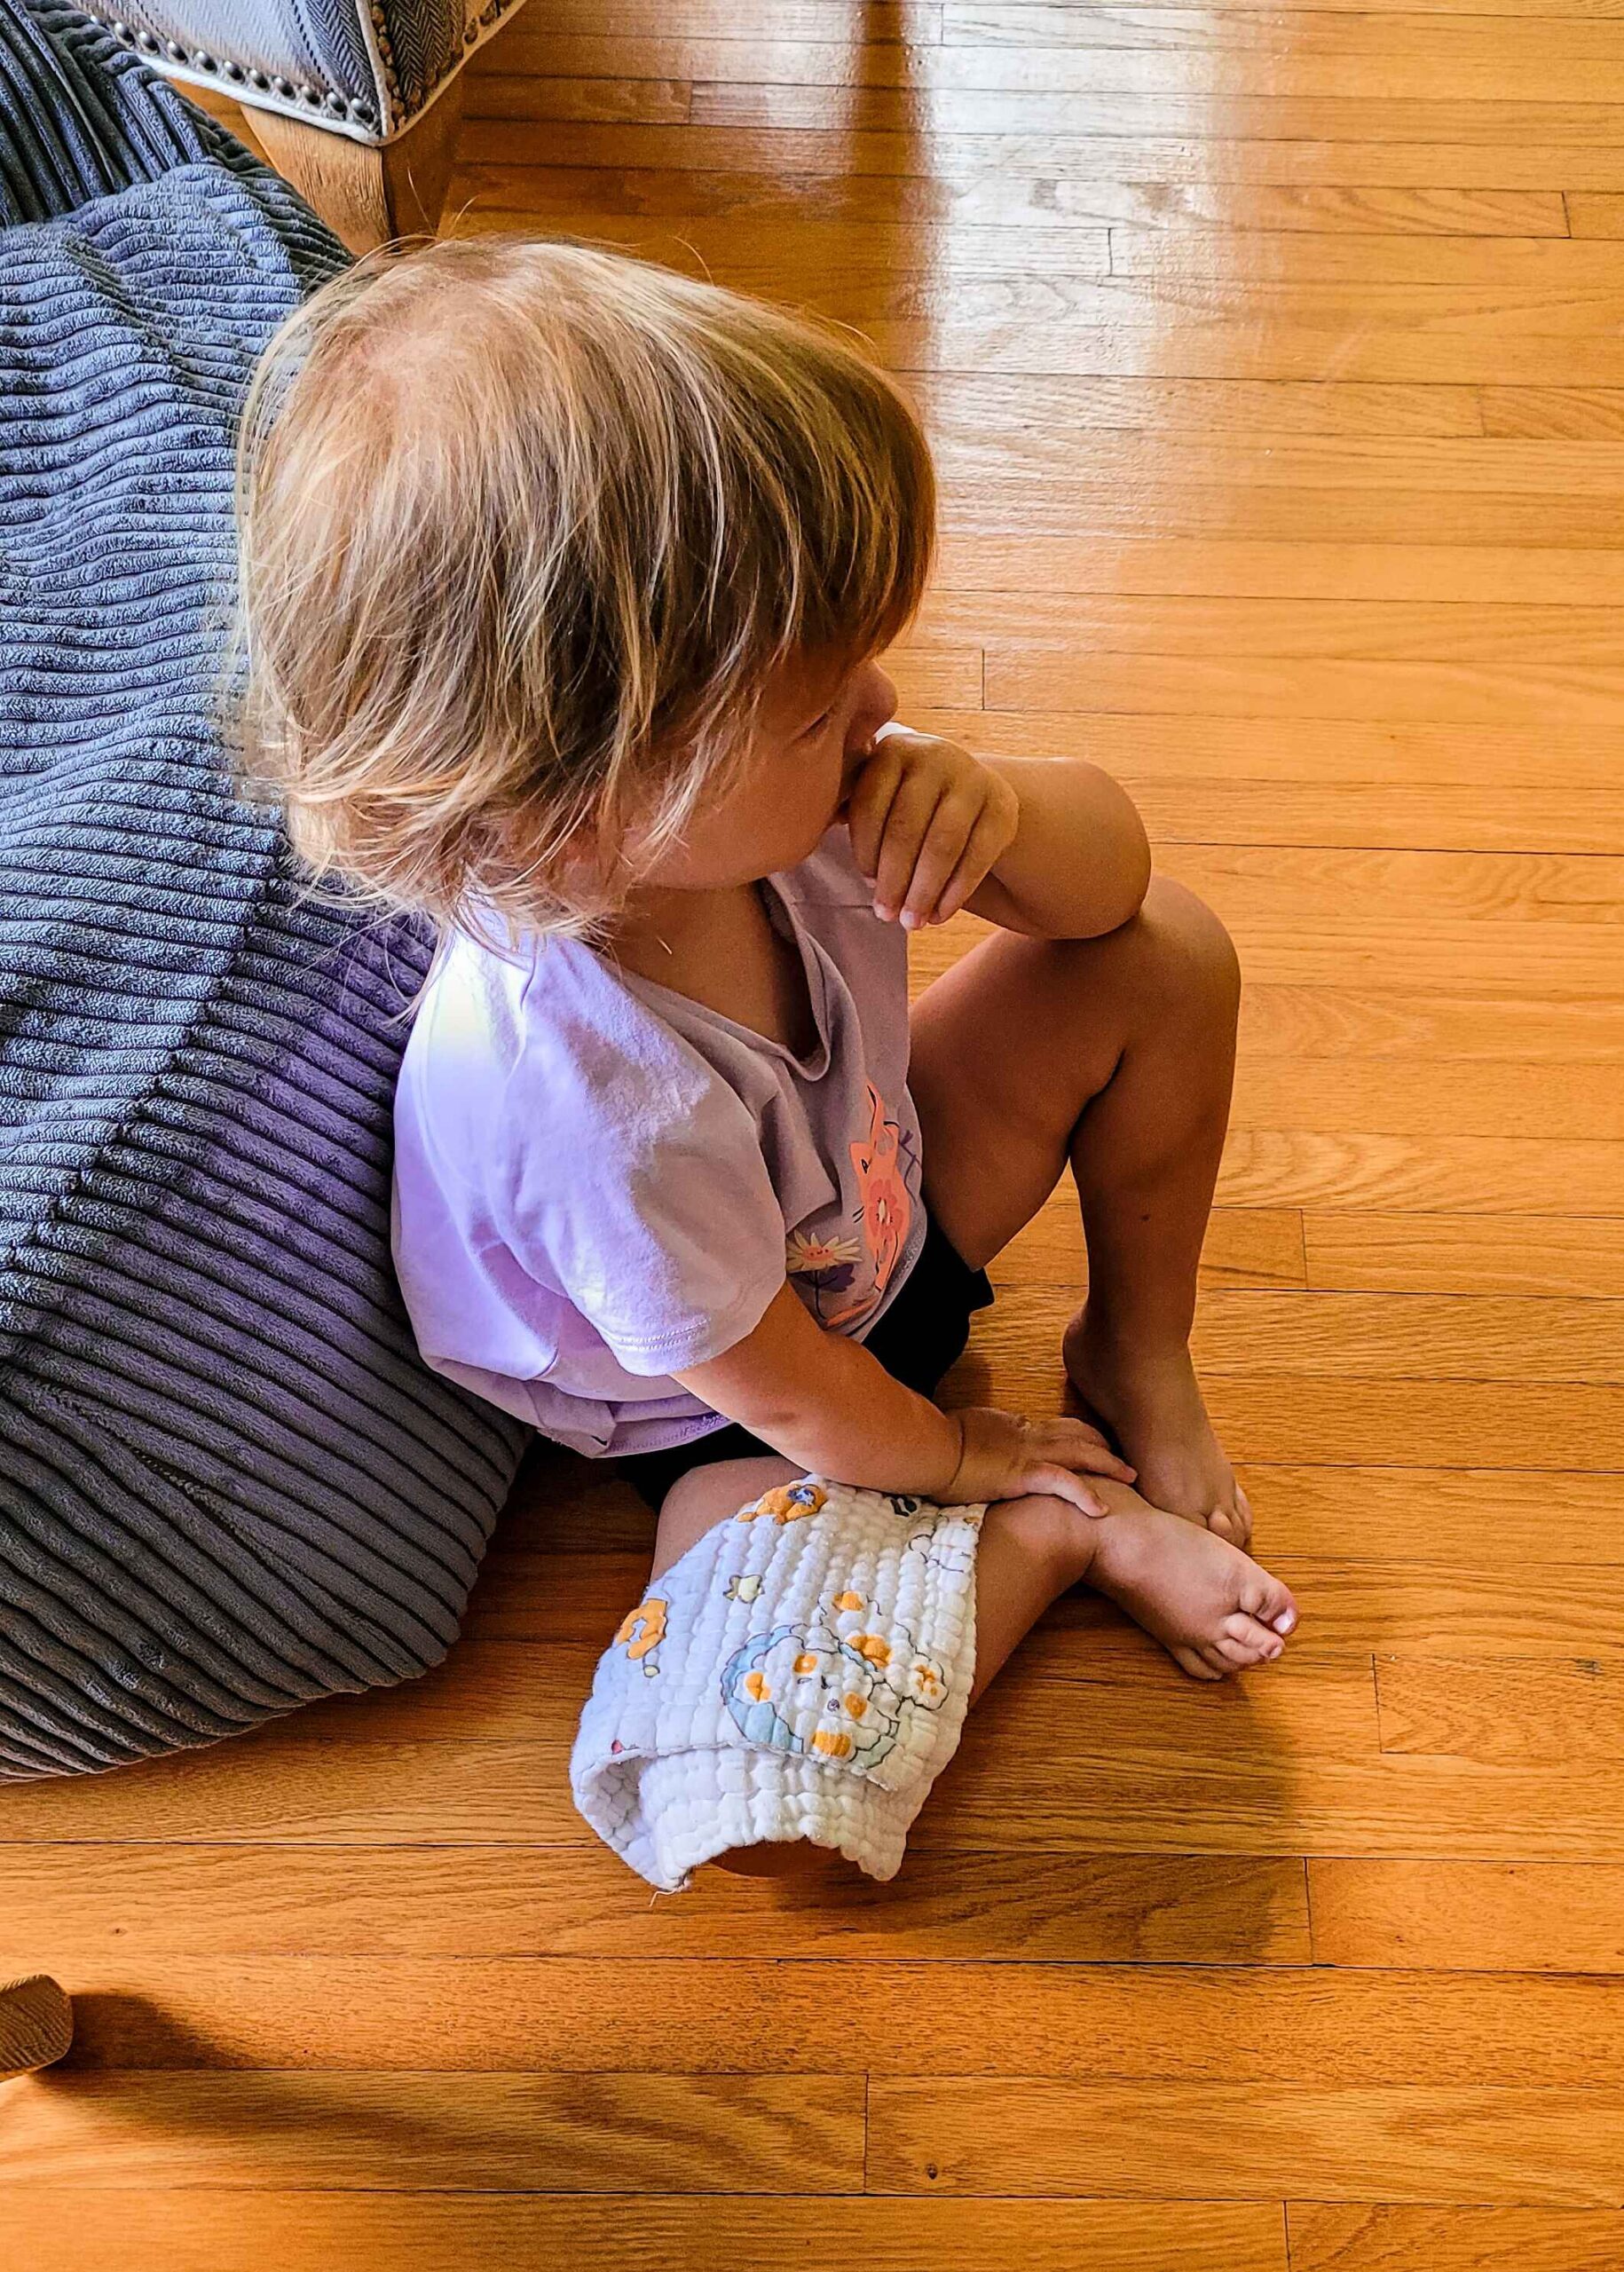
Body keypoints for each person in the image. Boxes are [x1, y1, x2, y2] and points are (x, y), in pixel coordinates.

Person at [228, 236, 1297, 1886]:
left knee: (1165, 958)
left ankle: (1132, 1350)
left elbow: (1111, 895)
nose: (877, 708)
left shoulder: (760, 813)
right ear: (582, 797)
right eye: (813, 711)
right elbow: (798, 1399)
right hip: (716, 1409)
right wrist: (979, 1462)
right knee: (761, 1779)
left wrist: (998, 812)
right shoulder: (588, 1101)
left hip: (875, 1200)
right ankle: (1055, 1545)